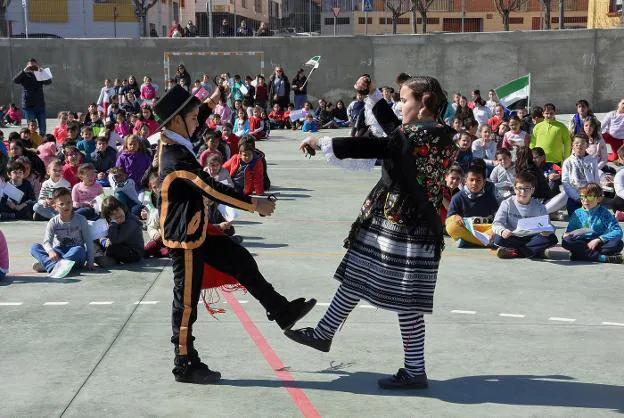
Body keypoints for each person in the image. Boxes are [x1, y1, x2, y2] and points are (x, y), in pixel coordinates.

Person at [289, 75, 457, 389]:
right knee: (358, 273)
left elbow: (376, 143)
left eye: (405, 100)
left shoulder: (413, 135)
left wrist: (320, 141)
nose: (400, 105)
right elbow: (395, 130)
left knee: (406, 303)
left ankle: (415, 370)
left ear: (423, 105)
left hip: (400, 224)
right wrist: (370, 96)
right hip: (410, 222)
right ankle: (324, 332)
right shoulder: (439, 132)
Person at [154, 85, 316, 384]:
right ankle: (184, 363)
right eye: (191, 116)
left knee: (240, 260)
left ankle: (281, 311)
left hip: (198, 227)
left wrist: (213, 99)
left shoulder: (176, 134)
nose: (198, 120)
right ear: (177, 120)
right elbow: (212, 188)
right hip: (184, 237)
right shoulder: (177, 159)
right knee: (186, 302)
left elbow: (197, 113)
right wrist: (256, 204)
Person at [492, 171, 558, 259]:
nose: (523, 192)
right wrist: (502, 231)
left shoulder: (539, 206)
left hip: (532, 237)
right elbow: (497, 223)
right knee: (498, 238)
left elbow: (548, 225)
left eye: (527, 188)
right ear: (514, 189)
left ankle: (517, 252)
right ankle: (536, 252)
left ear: (533, 190)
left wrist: (547, 231)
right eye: (519, 188)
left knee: (552, 238)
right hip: (513, 236)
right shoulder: (507, 203)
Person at [30, 187, 94, 273]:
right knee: (34, 247)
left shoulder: (81, 220)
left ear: (72, 202)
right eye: (61, 204)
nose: (66, 206)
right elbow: (47, 242)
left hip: (74, 253)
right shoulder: (53, 222)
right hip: (58, 252)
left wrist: (90, 261)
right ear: (55, 206)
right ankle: (55, 266)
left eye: (68, 202)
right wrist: (50, 251)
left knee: (79, 250)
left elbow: (88, 241)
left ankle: (48, 264)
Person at [556, 183, 623, 263]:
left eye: (590, 197)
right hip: (582, 242)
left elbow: (618, 231)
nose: (585, 200)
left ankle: (580, 255)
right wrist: (566, 234)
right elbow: (570, 230)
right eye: (582, 197)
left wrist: (599, 239)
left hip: (599, 243)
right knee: (566, 241)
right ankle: (601, 258)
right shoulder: (577, 213)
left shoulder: (605, 213)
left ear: (599, 199)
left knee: (618, 243)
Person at [446, 160, 499, 247]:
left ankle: (468, 242)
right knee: (451, 226)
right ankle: (485, 242)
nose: (475, 183)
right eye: (471, 180)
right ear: (465, 181)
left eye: (478, 180)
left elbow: (498, 216)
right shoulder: (458, 197)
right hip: (467, 229)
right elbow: (450, 218)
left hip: (484, 229)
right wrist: (455, 216)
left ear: (484, 182)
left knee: (501, 230)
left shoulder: (489, 196)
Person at [561, 133, 601, 217]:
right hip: (575, 197)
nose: (579, 145)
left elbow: (596, 179)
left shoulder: (592, 161)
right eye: (577, 143)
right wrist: (577, 198)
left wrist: (596, 194)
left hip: (590, 196)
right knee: (577, 217)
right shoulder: (568, 162)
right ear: (572, 145)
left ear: (587, 145)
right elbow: (565, 182)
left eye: (583, 143)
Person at [99, 196, 144, 265]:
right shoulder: (111, 222)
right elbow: (101, 234)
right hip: (120, 246)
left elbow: (116, 240)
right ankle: (100, 256)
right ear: (108, 217)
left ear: (122, 207)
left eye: (117, 210)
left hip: (134, 253)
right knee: (94, 239)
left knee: (112, 248)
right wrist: (104, 240)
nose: (116, 215)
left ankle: (107, 259)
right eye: (112, 214)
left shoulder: (130, 222)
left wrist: (114, 224)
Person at [13, 58, 51, 134]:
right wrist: (24, 71)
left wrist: (42, 71)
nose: (33, 68)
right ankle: (32, 142)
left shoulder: (40, 74)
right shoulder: (24, 74)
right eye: (31, 66)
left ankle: (42, 142)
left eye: (35, 66)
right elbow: (15, 80)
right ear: (27, 66)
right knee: (31, 128)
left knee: (43, 128)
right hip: (29, 106)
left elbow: (48, 82)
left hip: (40, 105)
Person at [601, 97, 624, 162]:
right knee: (597, 135)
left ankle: (610, 155)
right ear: (618, 104)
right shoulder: (611, 114)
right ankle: (595, 153)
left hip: (620, 141)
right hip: (610, 136)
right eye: (623, 103)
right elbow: (601, 126)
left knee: (615, 158)